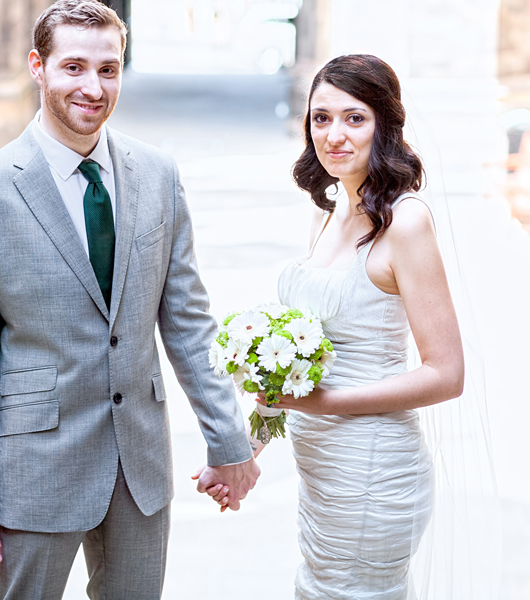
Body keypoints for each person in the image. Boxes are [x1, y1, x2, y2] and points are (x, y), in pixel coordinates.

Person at [0, 1, 259, 598]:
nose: (93, 87)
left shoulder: (158, 175)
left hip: (140, 462)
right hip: (37, 468)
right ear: (38, 66)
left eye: (108, 69)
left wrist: (229, 440)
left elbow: (188, 322)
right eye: (74, 67)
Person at [203, 54, 466, 598]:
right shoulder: (328, 215)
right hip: (323, 475)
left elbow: (447, 374)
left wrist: (321, 403)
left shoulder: (406, 223)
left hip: (374, 472)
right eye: (321, 118)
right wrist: (243, 454)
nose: (334, 135)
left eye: (354, 118)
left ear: (385, 126)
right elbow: (295, 368)